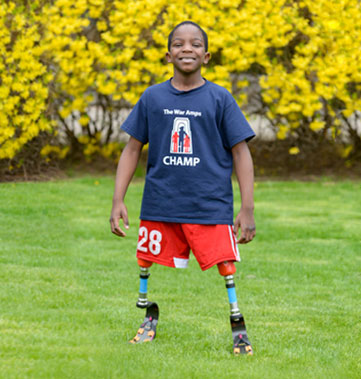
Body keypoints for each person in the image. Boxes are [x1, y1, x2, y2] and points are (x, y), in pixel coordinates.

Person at [110, 21, 256, 355]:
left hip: (209, 205)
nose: (186, 49)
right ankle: (147, 315)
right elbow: (132, 149)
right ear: (167, 55)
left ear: (206, 56)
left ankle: (238, 325)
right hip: (161, 203)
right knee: (145, 260)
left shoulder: (220, 98)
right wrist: (118, 199)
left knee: (225, 266)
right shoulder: (153, 97)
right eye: (178, 44)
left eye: (194, 45)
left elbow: (241, 151)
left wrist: (247, 208)